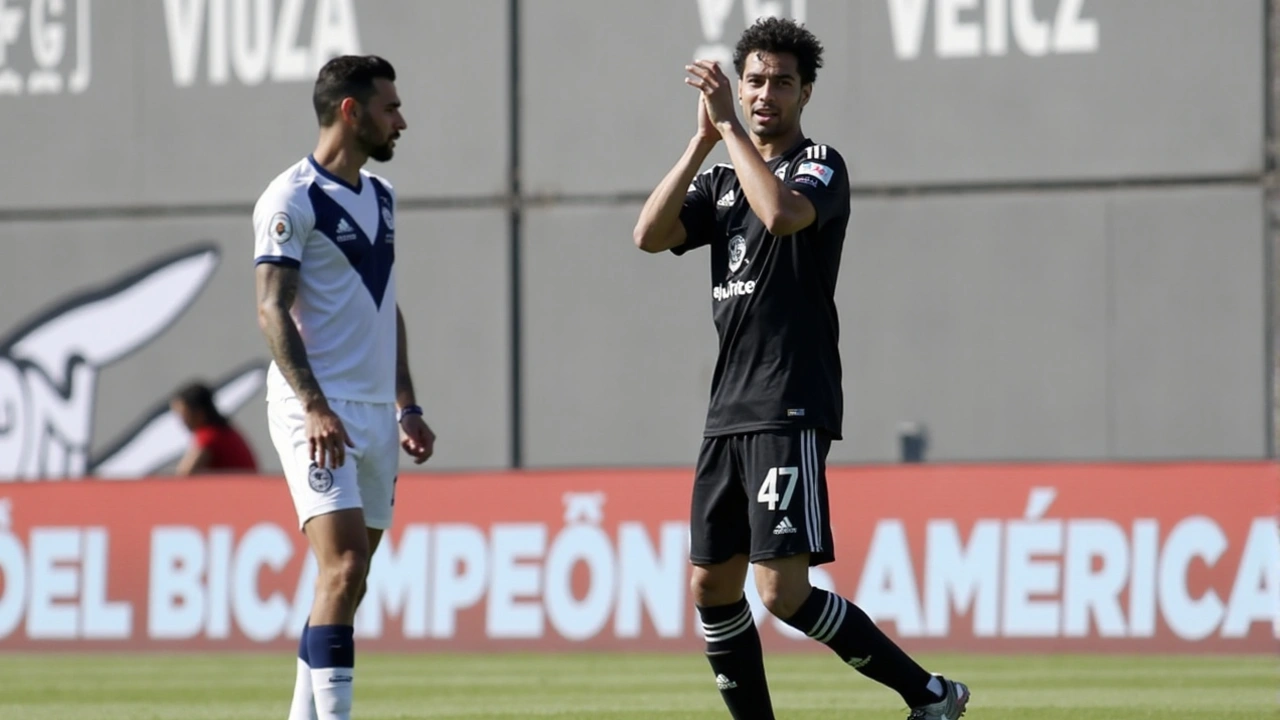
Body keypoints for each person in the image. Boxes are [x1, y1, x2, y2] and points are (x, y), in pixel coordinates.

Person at [632, 18, 970, 720]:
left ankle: (930, 695)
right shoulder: (723, 178)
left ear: (805, 92)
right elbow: (649, 235)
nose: (764, 94)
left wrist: (727, 130)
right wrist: (701, 139)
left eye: (781, 82)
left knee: (781, 593)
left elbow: (783, 215)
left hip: (787, 399)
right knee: (710, 587)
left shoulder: (820, 164)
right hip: (727, 409)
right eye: (753, 81)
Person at [252, 54, 436, 720]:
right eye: (391, 107)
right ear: (351, 112)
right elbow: (271, 307)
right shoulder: (290, 199)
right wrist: (315, 405)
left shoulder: (381, 197)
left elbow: (384, 306)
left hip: (373, 414)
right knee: (347, 567)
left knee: (345, 584)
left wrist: (406, 404)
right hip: (316, 413)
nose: (402, 121)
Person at [170, 381, 258, 474]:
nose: (182, 421)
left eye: (184, 415)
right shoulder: (224, 431)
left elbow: (184, 474)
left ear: (199, 413)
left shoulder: (210, 435)